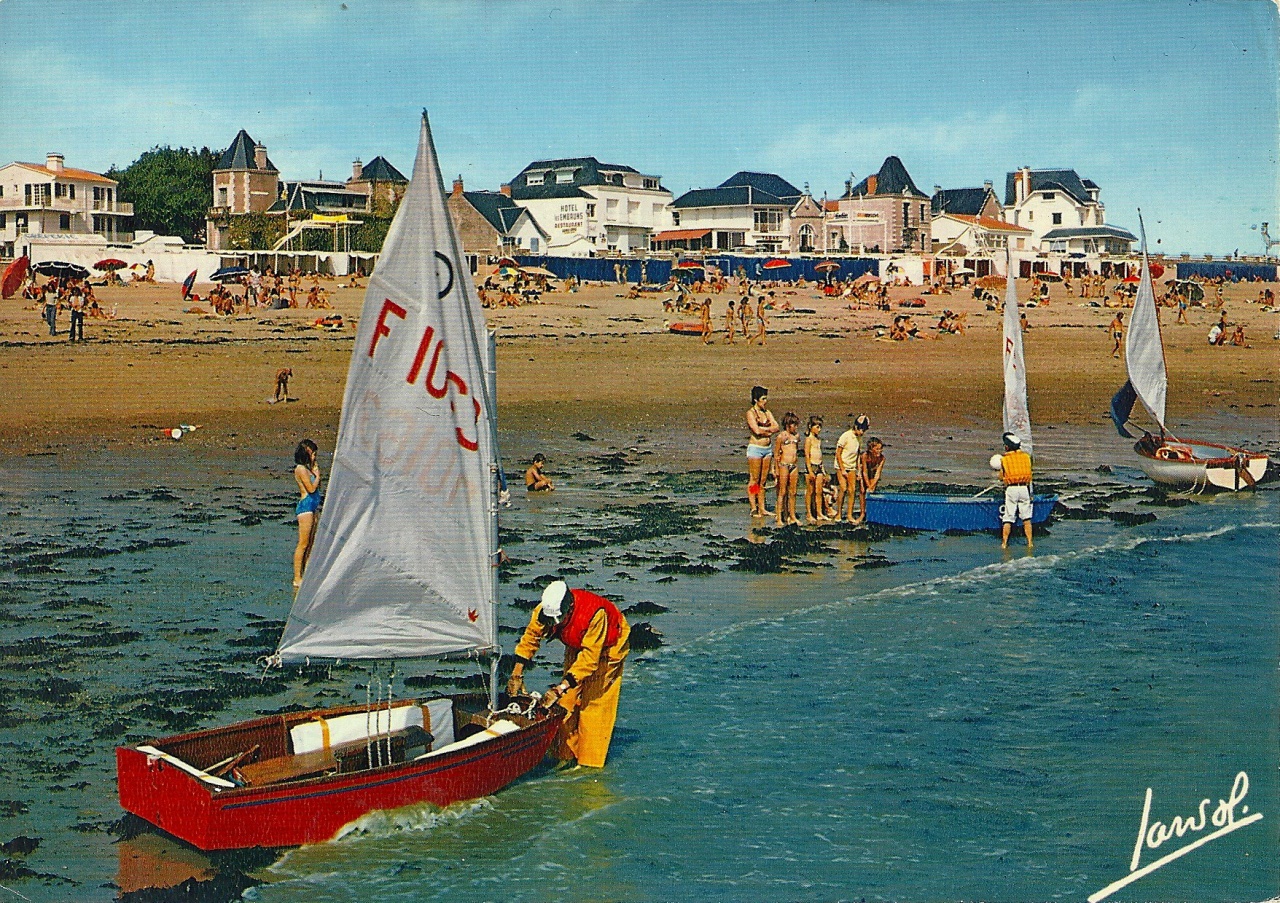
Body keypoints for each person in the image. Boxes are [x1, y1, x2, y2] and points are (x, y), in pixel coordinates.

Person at [507, 581, 630, 769]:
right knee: (566, 705)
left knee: (593, 706)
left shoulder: (595, 614)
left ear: (570, 607)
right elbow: (531, 636)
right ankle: (563, 758)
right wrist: (517, 673)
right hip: (576, 642)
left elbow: (590, 659)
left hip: (607, 648)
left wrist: (560, 687)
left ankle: (589, 767)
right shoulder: (545, 609)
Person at [993, 432, 1033, 550]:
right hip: (1024, 489)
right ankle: (1030, 543)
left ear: (1006, 447)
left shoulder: (1005, 460)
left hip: (1012, 489)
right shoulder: (1026, 457)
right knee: (1026, 518)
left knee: (1008, 517)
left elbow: (1002, 476)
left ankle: (1004, 544)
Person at [746, 386, 779, 517]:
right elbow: (756, 431)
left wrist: (766, 430)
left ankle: (762, 508)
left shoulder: (767, 412)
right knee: (754, 479)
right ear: (756, 400)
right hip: (756, 448)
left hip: (767, 449)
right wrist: (767, 430)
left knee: (763, 480)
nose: (765, 401)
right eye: (763, 399)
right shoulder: (751, 413)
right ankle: (754, 508)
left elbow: (776, 427)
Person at [293, 439, 321, 588]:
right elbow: (311, 489)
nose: (314, 456)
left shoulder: (308, 469)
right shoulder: (300, 469)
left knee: (311, 544)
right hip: (305, 508)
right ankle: (297, 577)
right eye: (313, 453)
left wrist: (315, 472)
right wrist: (317, 476)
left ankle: (308, 573)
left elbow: (317, 488)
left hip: (313, 506)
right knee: (303, 544)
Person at [834, 415, 864, 523]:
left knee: (852, 490)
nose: (862, 432)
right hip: (841, 465)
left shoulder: (859, 438)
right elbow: (838, 453)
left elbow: (858, 455)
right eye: (861, 429)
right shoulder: (845, 436)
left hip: (852, 466)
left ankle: (849, 515)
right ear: (856, 426)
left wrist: (858, 471)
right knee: (843, 488)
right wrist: (842, 469)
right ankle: (839, 513)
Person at [772, 411, 801, 527]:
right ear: (788, 425)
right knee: (782, 492)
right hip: (784, 465)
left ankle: (792, 515)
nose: (796, 427)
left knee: (793, 492)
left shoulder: (796, 436)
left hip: (794, 465)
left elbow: (796, 450)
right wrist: (776, 469)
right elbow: (776, 454)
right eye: (794, 425)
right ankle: (779, 517)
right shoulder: (781, 436)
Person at [803, 415, 830, 524]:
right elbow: (807, 455)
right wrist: (809, 470)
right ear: (810, 427)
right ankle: (809, 513)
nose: (819, 429)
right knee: (810, 491)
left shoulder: (818, 440)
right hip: (811, 466)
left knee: (819, 491)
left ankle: (819, 513)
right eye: (817, 427)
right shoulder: (808, 439)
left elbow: (820, 455)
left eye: (820, 427)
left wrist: (823, 472)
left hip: (819, 466)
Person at [858, 437, 886, 507]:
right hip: (861, 471)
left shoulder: (882, 458)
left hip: (873, 472)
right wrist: (868, 485)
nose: (879, 451)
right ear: (871, 449)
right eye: (877, 449)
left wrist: (871, 486)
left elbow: (878, 474)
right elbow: (864, 472)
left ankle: (870, 509)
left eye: (881, 449)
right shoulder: (865, 456)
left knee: (872, 490)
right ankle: (862, 512)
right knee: (862, 490)